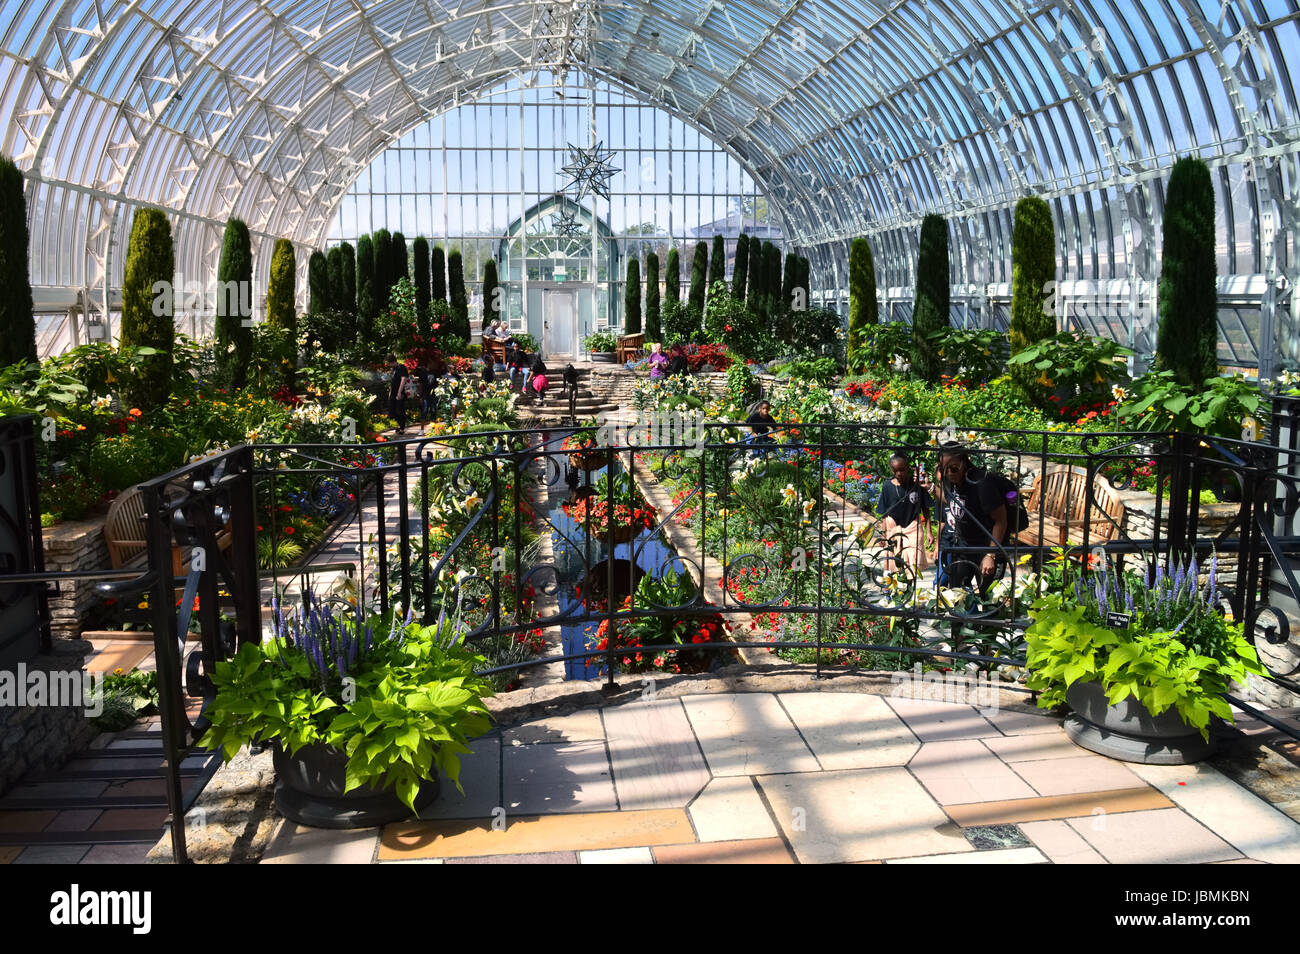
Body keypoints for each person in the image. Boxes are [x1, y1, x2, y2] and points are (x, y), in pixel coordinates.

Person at [931, 443, 1008, 594]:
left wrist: (990, 555)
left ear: (964, 462)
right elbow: (951, 501)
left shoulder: (981, 483)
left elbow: (1001, 521)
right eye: (943, 469)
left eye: (953, 468)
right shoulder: (950, 481)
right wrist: (932, 488)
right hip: (964, 546)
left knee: (988, 598)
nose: (949, 473)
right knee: (956, 594)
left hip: (987, 546)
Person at [875, 452, 933, 575]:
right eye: (896, 470)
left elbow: (926, 509)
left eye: (902, 470)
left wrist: (929, 531)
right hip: (893, 528)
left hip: (913, 527)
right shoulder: (887, 487)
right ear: (892, 470)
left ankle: (910, 589)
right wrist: (883, 534)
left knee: (913, 564)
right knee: (894, 562)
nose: (899, 473)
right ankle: (892, 591)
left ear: (908, 468)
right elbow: (884, 514)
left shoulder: (917, 485)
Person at [387, 354, 409, 431]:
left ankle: (402, 427)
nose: (388, 365)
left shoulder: (401, 367)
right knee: (392, 409)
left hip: (400, 391)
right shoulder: (393, 369)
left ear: (392, 361)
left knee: (400, 409)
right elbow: (392, 381)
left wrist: (399, 392)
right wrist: (390, 392)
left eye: (388, 363)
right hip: (393, 392)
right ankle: (399, 425)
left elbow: (403, 379)